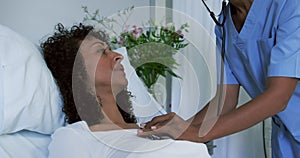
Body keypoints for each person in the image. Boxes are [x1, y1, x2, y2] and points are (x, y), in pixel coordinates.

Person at [137, 0, 300, 157]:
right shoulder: (225, 24)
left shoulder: (290, 5)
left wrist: (198, 133)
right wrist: (178, 127)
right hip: (286, 138)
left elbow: (278, 97)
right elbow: (225, 99)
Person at [41, 23, 211, 158]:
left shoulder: (157, 129)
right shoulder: (75, 137)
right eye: (101, 51)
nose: (118, 55)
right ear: (76, 73)